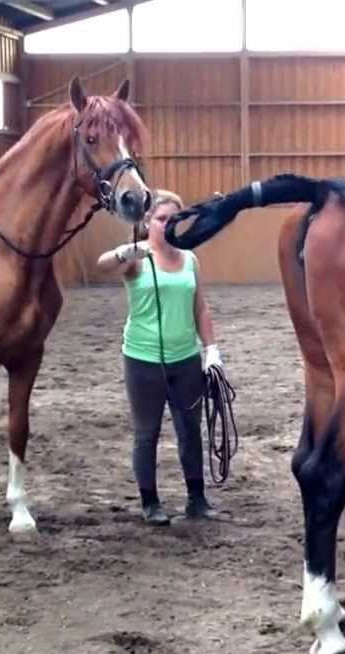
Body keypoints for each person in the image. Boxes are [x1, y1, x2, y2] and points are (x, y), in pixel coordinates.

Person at [96, 189, 226, 525]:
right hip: (143, 360)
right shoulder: (137, 260)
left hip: (185, 359)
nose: (168, 225)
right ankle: (150, 502)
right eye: (162, 219)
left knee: (190, 431)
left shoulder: (190, 260)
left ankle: (196, 499)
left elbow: (200, 307)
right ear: (148, 221)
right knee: (147, 433)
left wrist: (211, 350)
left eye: (174, 220)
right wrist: (127, 250)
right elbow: (102, 265)